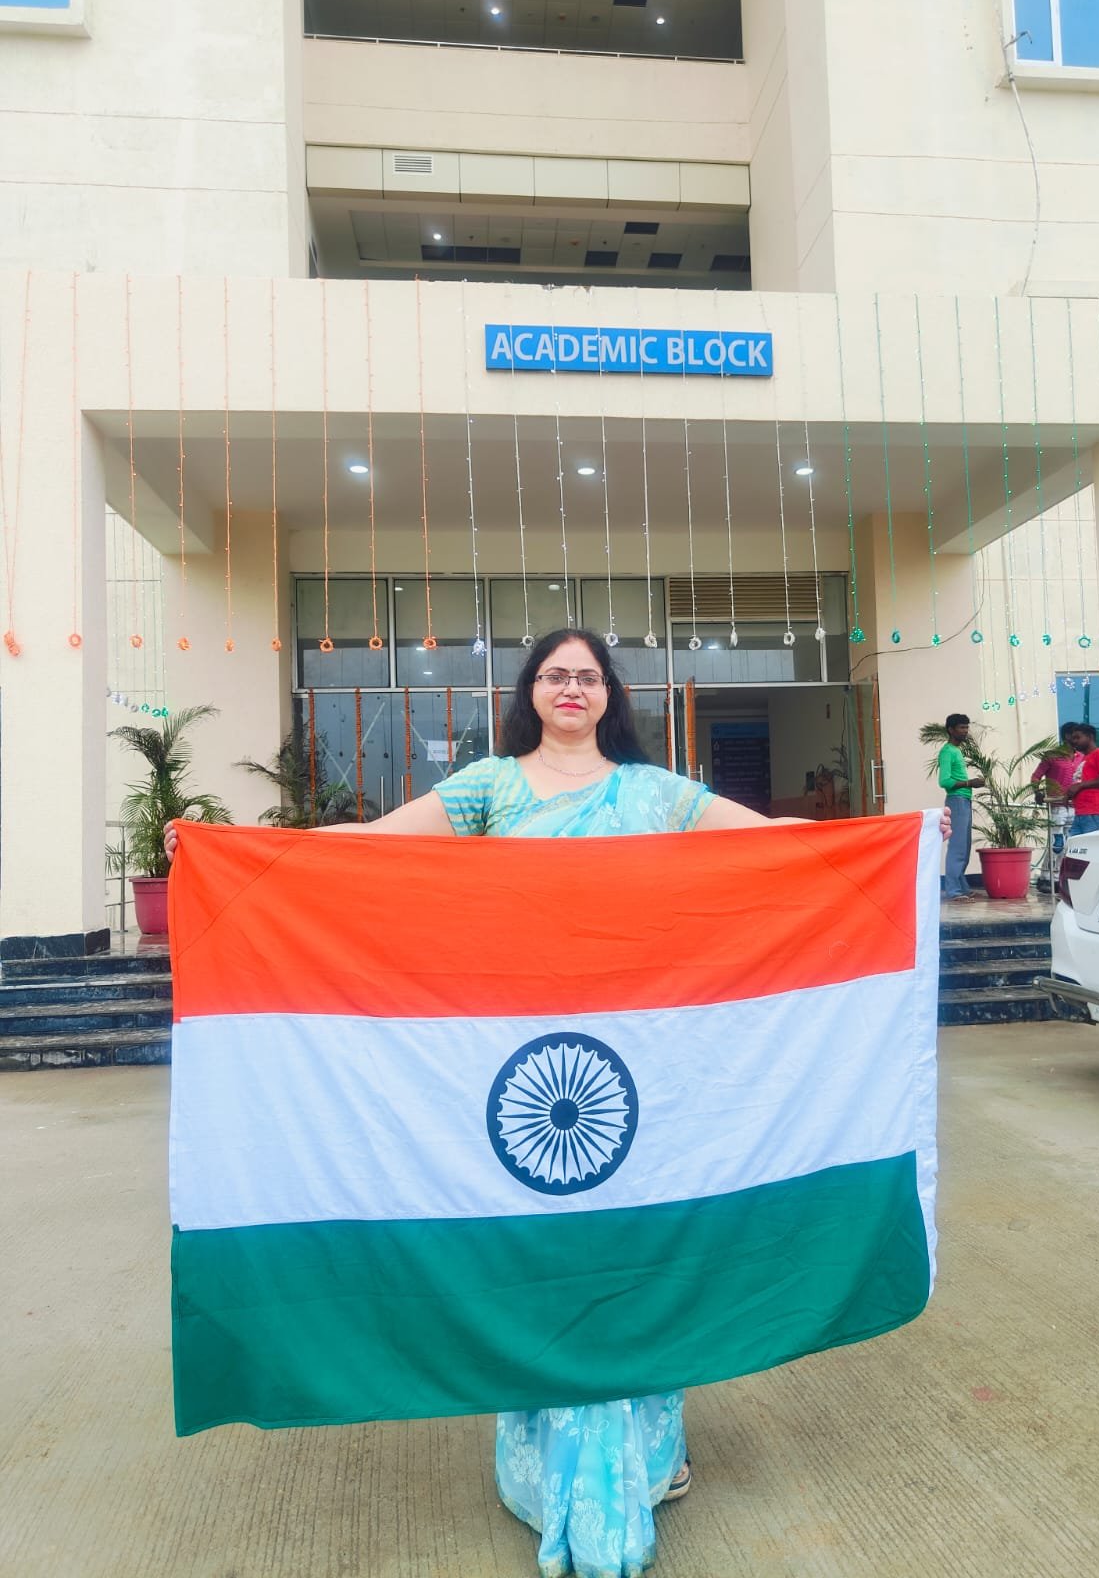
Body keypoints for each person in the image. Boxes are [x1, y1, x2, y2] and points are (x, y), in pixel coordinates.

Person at [166, 628, 951, 1578]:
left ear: (609, 693)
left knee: (634, 1253)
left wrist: (904, 838)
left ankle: (648, 1461)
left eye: (586, 676)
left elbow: (769, 839)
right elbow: (370, 849)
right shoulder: (489, 787)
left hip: (641, 1066)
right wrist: (236, 855)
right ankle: (544, 1476)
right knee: (538, 1256)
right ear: (531, 692)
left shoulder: (655, 792)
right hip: (526, 1066)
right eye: (554, 675)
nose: (570, 689)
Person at [937, 713, 985, 901]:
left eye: (966, 727)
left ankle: (962, 888)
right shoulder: (948, 751)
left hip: (963, 800)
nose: (965, 731)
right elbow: (945, 781)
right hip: (956, 800)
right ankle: (953, 890)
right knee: (957, 846)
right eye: (961, 728)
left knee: (964, 846)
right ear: (951, 729)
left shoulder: (956, 751)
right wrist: (969, 783)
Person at [1030, 723, 1078, 889]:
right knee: (1057, 843)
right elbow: (1036, 777)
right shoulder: (1052, 756)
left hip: (1075, 806)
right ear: (1066, 736)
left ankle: (1060, 877)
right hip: (1056, 805)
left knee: (1070, 844)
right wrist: (1038, 792)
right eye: (1075, 736)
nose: (1078, 739)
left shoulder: (1081, 757)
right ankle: (1047, 878)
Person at [1066, 723, 1099, 836]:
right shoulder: (1084, 758)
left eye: (1078, 737)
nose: (1074, 742)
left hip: (1095, 813)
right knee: (1074, 850)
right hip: (1080, 813)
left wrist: (1080, 786)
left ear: (1090, 737)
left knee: (1095, 849)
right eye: (1073, 739)